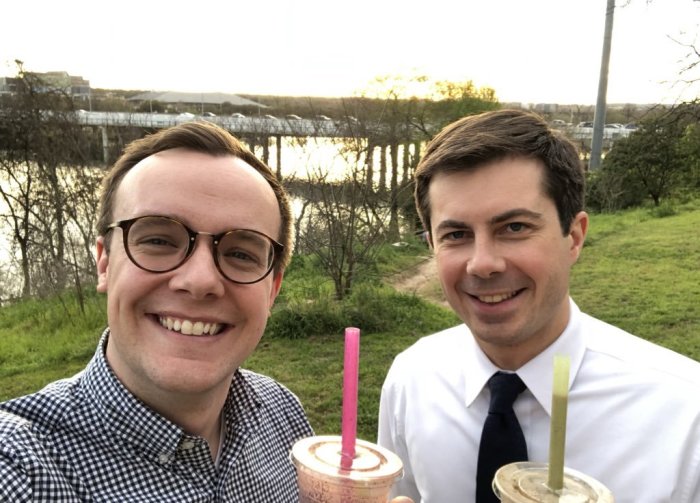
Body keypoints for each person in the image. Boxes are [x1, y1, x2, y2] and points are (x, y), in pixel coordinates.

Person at [377, 109, 700, 502]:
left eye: (514, 228)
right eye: (457, 234)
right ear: (431, 246)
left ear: (574, 237)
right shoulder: (413, 379)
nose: (483, 263)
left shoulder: (685, 416)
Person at [0, 121, 314, 501]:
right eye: (159, 240)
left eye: (239, 254)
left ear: (272, 290)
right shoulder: (22, 469)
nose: (200, 280)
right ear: (104, 264)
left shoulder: (282, 413)